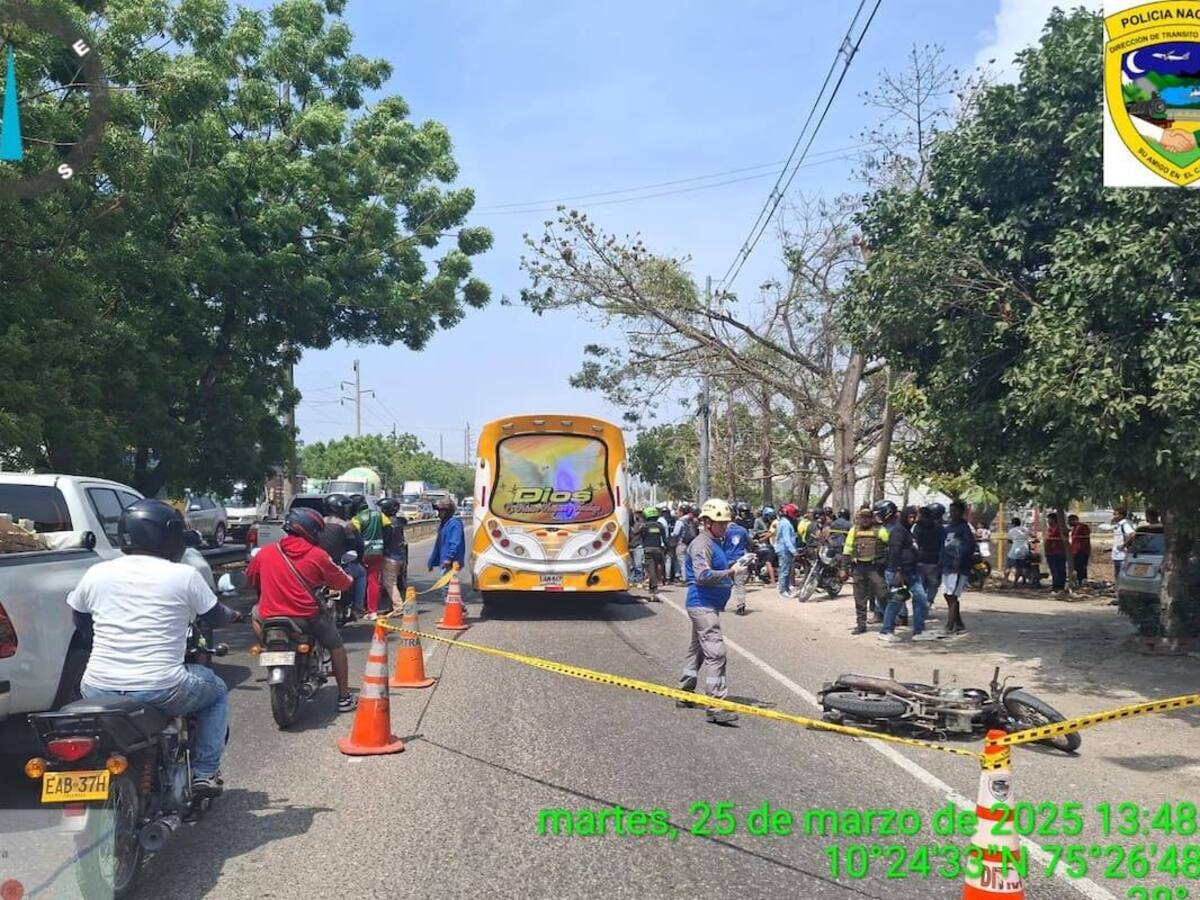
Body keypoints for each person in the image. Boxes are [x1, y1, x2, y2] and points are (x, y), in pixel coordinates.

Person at [68, 499, 241, 796]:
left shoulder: (96, 572)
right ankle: (205, 773)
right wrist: (234, 615)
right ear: (169, 535)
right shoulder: (184, 575)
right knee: (216, 693)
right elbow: (215, 616)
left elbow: (80, 619)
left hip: (97, 686)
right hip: (161, 686)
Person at [248, 506, 356, 712]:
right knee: (336, 646)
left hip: (270, 616)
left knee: (254, 613)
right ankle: (344, 697)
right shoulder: (318, 555)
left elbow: (251, 579)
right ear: (311, 530)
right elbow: (342, 582)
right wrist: (349, 579)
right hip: (306, 617)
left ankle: (266, 644)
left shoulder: (266, 552)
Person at [677, 498, 749, 726]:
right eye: (721, 523)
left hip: (709, 604)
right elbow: (703, 576)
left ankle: (684, 691)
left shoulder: (715, 542)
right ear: (707, 522)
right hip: (702, 604)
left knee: (698, 649)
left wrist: (738, 563)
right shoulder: (701, 544)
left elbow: (717, 566)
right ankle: (716, 705)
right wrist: (730, 572)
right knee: (716, 652)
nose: (725, 527)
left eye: (726, 523)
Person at [841, 506, 889, 634]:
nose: (865, 519)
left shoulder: (880, 530)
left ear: (872, 518)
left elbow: (891, 544)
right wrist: (843, 568)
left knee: (883, 594)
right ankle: (861, 625)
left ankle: (889, 622)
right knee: (860, 598)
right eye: (862, 517)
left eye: (867, 517)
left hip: (875, 568)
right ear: (859, 518)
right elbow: (847, 549)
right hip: (859, 568)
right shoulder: (854, 530)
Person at [321, 493, 367, 618]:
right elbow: (357, 545)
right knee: (361, 573)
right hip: (341, 564)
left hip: (321, 563)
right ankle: (358, 607)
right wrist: (359, 559)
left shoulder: (319, 522)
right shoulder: (347, 525)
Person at [939, 500, 976, 635]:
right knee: (947, 594)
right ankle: (959, 623)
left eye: (956, 511)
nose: (953, 513)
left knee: (953, 595)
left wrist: (960, 558)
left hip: (958, 567)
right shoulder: (948, 528)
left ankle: (950, 626)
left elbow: (969, 547)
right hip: (946, 565)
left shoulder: (964, 528)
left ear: (961, 512)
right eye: (951, 511)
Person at [348, 494, 387, 620]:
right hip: (378, 551)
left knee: (360, 579)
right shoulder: (379, 514)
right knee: (374, 581)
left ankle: (359, 607)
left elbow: (353, 537)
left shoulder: (357, 519)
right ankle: (373, 611)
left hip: (363, 553)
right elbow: (388, 526)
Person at [428, 497, 466, 593]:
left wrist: (449, 558)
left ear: (447, 511)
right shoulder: (444, 524)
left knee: (447, 587)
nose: (438, 514)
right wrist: (431, 562)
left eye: (440, 511)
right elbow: (438, 546)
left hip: (452, 562)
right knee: (448, 587)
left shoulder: (454, 524)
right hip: (445, 561)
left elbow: (455, 543)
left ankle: (450, 602)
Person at [378, 497, 407, 613]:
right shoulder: (398, 522)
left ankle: (398, 607)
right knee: (391, 581)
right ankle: (394, 605)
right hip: (399, 556)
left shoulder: (387, 524)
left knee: (390, 583)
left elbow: (384, 540)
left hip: (391, 556)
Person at [913, 504, 944, 606]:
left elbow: (915, 542)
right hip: (934, 560)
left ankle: (922, 603)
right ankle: (928, 601)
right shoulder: (939, 528)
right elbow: (942, 544)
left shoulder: (917, 527)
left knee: (921, 584)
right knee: (933, 584)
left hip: (921, 559)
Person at [722, 514, 751, 615]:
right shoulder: (743, 530)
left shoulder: (724, 530)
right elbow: (749, 543)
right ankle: (741, 606)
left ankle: (721, 604)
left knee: (725, 583)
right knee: (740, 584)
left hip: (727, 559)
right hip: (740, 560)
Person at [640, 507, 668, 600]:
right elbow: (664, 539)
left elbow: (642, 537)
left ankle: (654, 587)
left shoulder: (644, 526)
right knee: (656, 568)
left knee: (651, 569)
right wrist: (667, 547)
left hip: (648, 549)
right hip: (658, 549)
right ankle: (652, 586)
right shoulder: (660, 526)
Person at [774, 503, 799, 597]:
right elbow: (786, 539)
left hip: (785, 549)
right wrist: (793, 551)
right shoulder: (786, 524)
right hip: (784, 550)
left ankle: (787, 589)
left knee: (787, 570)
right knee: (784, 570)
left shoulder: (784, 522)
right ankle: (782, 591)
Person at [672, 506, 699, 586]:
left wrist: (671, 535)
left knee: (682, 562)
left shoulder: (680, 521)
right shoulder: (693, 520)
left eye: (678, 511)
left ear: (681, 512)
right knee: (689, 561)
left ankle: (685, 579)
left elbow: (676, 533)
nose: (676, 513)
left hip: (681, 543)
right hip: (690, 543)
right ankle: (690, 577)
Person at [1111, 507, 1136, 586]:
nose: (1114, 516)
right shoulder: (1118, 525)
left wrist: (1123, 545)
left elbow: (1132, 534)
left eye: (1116, 514)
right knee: (1117, 574)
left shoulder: (1124, 524)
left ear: (1122, 515)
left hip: (1122, 555)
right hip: (1116, 554)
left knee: (1121, 574)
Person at [1043, 512, 1068, 593]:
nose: (1048, 521)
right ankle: (1055, 585)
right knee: (1053, 570)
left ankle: (1060, 586)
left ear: (1054, 520)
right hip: (1050, 552)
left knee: (1060, 570)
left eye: (1049, 519)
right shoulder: (1050, 529)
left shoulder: (1059, 528)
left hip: (1059, 552)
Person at [1003, 516, 1031, 587]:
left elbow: (1009, 540)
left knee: (1008, 566)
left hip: (1014, 550)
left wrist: (1014, 540)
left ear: (1013, 524)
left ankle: (1005, 582)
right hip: (1024, 550)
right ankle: (1015, 582)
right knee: (1019, 568)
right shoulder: (1026, 529)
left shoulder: (1012, 530)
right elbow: (1031, 536)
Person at [1067, 514, 1091, 587]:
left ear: (1075, 520)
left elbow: (1083, 538)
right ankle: (1078, 581)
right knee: (1076, 567)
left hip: (1081, 551)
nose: (1068, 523)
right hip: (1075, 551)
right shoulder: (1074, 528)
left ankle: (1082, 581)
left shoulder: (1082, 527)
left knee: (1081, 567)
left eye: (1070, 521)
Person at [629, 510, 646, 585]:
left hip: (638, 546)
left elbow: (636, 531)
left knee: (638, 565)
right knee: (631, 565)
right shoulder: (628, 524)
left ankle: (639, 580)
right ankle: (631, 580)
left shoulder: (641, 524)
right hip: (630, 546)